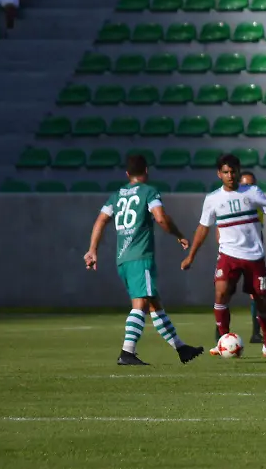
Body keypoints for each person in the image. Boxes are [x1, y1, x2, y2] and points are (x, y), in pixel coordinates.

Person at [83, 154, 204, 366]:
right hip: (140, 257)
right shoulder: (149, 191)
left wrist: (93, 249)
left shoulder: (116, 196)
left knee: (154, 304)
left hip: (123, 258)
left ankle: (181, 348)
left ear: (127, 174)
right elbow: (160, 217)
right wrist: (178, 235)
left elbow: (101, 220)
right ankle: (127, 352)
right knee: (141, 303)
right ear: (146, 171)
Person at [181, 154, 266, 359]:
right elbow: (203, 228)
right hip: (228, 255)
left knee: (262, 300)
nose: (230, 175)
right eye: (226, 172)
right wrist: (191, 256)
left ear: (238, 172)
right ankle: (223, 340)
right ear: (219, 174)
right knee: (220, 292)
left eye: (233, 171)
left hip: (254, 256)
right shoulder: (212, 199)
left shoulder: (252, 192)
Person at [209, 170, 265, 344]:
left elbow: (257, 232)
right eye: (246, 184)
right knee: (225, 293)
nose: (249, 187)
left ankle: (256, 333)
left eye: (252, 184)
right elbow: (220, 228)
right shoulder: (229, 202)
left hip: (251, 255)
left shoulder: (256, 205)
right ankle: (220, 331)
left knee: (256, 294)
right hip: (231, 254)